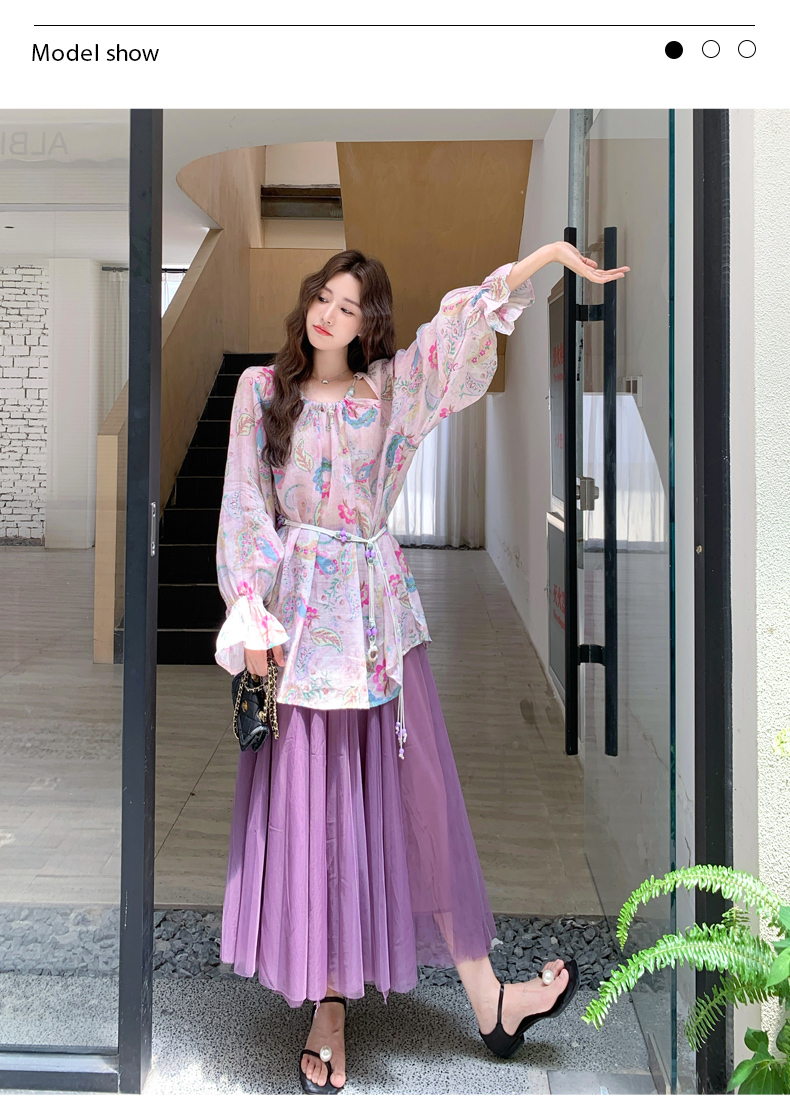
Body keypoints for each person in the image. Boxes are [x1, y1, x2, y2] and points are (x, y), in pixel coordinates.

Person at [214, 243, 629, 1093]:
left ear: (367, 323)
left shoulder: (390, 391)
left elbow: (458, 332)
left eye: (348, 306)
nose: (328, 314)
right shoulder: (262, 392)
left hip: (377, 627)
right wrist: (250, 612)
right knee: (317, 814)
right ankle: (328, 1007)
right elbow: (245, 509)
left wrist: (546, 257)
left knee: (420, 800)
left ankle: (491, 999)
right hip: (300, 632)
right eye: (322, 297)